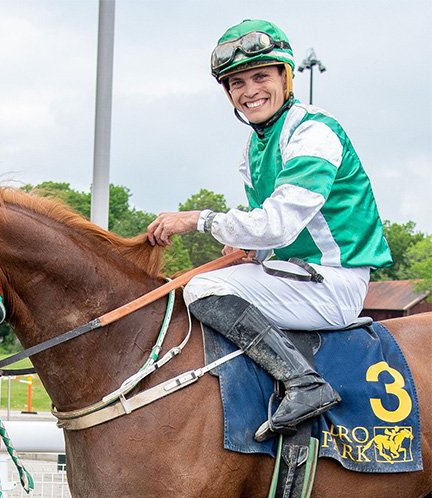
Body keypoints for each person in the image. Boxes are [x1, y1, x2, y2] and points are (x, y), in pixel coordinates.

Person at [146, 19, 392, 442]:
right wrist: (245, 248)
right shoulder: (254, 148)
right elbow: (270, 234)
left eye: (261, 76)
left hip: (333, 283)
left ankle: (304, 383)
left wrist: (197, 219)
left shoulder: (314, 132)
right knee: (192, 285)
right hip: (298, 274)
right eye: (236, 83)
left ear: (286, 76)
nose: (249, 91)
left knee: (202, 291)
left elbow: (277, 224)